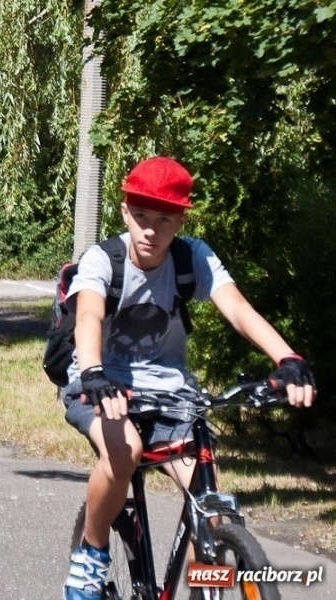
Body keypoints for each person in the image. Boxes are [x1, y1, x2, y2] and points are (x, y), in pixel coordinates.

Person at [61, 157, 317, 600]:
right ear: (124, 211)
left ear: (181, 220)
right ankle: (91, 555)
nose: (150, 230)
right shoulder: (103, 259)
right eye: (141, 216)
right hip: (102, 385)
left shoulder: (191, 256)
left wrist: (287, 358)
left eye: (164, 219)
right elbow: (87, 317)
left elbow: (237, 308)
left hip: (171, 394)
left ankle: (204, 586)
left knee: (208, 504)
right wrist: (94, 373)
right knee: (125, 452)